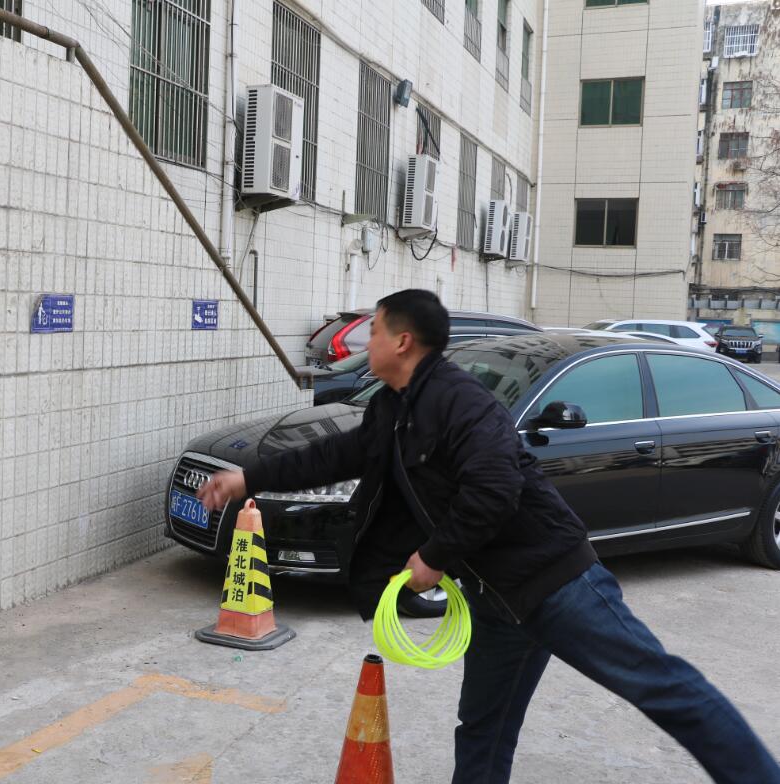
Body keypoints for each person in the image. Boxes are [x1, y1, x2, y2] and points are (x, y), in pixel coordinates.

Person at [196, 289, 780, 784]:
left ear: (403, 342)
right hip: (495, 599)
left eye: (373, 331)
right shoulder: (393, 409)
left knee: (660, 685)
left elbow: (495, 489)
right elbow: (330, 455)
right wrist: (248, 478)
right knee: (482, 727)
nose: (363, 343)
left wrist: (434, 556)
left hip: (557, 582)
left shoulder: (461, 402)